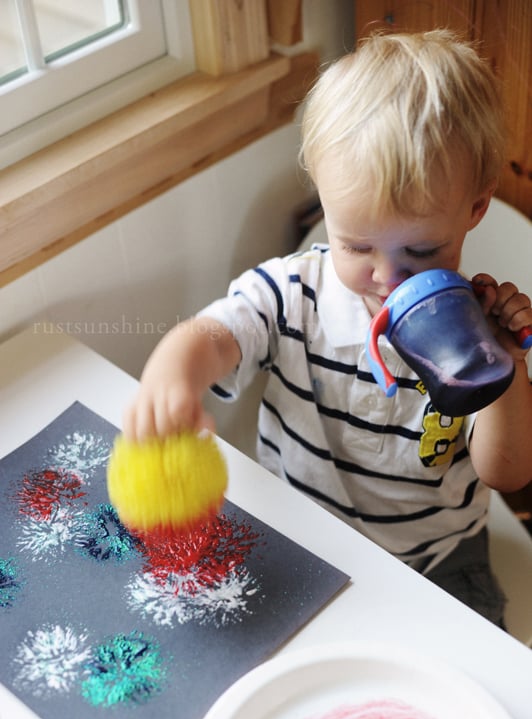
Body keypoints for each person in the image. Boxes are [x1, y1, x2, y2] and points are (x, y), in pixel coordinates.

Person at [123, 30, 532, 627]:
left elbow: (509, 472)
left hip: (435, 560)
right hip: (300, 534)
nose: (387, 276)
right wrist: (172, 375)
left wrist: (502, 369)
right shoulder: (295, 292)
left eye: (421, 249)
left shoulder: (475, 333)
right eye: (357, 244)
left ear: (475, 208)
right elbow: (213, 335)